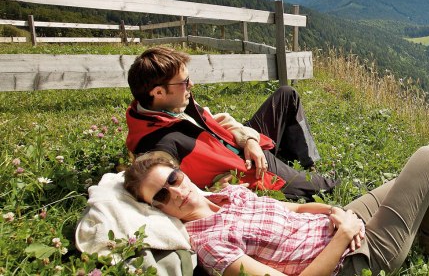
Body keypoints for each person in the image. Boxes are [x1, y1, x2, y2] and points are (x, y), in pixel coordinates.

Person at [123, 146, 429, 276]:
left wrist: (335, 212)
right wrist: (345, 235)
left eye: (173, 178)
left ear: (181, 171)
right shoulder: (208, 245)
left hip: (336, 223)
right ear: (156, 209)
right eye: (161, 196)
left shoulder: (229, 194)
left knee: (408, 184)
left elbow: (297, 209)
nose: (176, 192)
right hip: (350, 259)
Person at [125, 46, 337, 201]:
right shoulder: (158, 146)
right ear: (158, 92)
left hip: (241, 145)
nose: (191, 84)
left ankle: (305, 163)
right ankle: (302, 177)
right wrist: (213, 191)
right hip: (250, 169)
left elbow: (219, 121)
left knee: (287, 94)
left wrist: (249, 140)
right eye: (184, 82)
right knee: (329, 186)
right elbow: (161, 192)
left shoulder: (172, 106)